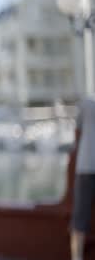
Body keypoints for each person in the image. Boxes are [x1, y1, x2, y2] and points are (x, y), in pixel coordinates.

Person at [70, 95, 95, 260]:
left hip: (85, 166)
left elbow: (77, 134)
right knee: (78, 222)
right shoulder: (85, 104)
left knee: (78, 222)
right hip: (85, 168)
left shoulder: (85, 104)